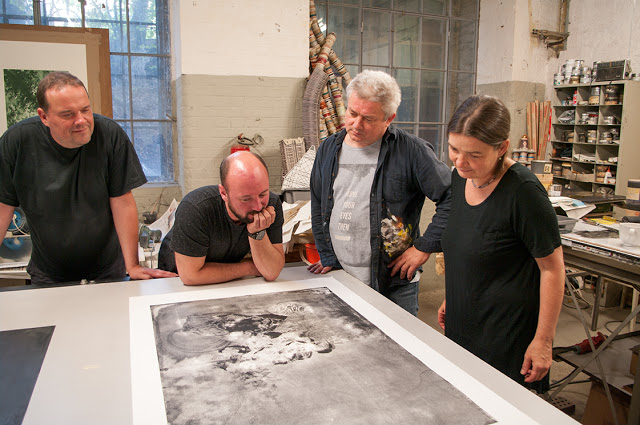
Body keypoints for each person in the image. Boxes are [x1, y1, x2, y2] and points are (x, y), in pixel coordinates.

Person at [438, 95, 565, 393]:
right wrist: (453, 297)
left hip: (505, 334)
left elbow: (552, 270)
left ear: (502, 148)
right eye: (454, 149)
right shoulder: (461, 177)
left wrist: (543, 341)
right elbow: (468, 247)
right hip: (464, 322)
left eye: (474, 154)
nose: (460, 161)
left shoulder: (524, 193)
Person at [0, 71, 175, 284]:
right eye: (68, 114)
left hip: (107, 270)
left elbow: (122, 202)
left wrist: (133, 265)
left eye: (85, 110)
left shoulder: (109, 135)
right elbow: (3, 208)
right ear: (44, 117)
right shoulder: (17, 142)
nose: (81, 121)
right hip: (49, 273)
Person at [308, 70, 452, 316]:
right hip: (341, 275)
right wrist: (327, 255)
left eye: (368, 118)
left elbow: (452, 197)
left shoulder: (412, 151)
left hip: (394, 281)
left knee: (397, 340)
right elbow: (318, 202)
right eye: (352, 113)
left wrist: (423, 247)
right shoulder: (328, 149)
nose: (356, 124)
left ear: (389, 118)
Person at [158, 151, 285, 285]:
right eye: (246, 199)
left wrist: (257, 232)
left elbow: (271, 272)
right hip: (174, 281)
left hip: (227, 281)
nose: (258, 206)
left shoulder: (271, 205)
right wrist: (249, 267)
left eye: (263, 194)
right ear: (224, 193)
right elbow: (190, 276)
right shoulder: (196, 208)